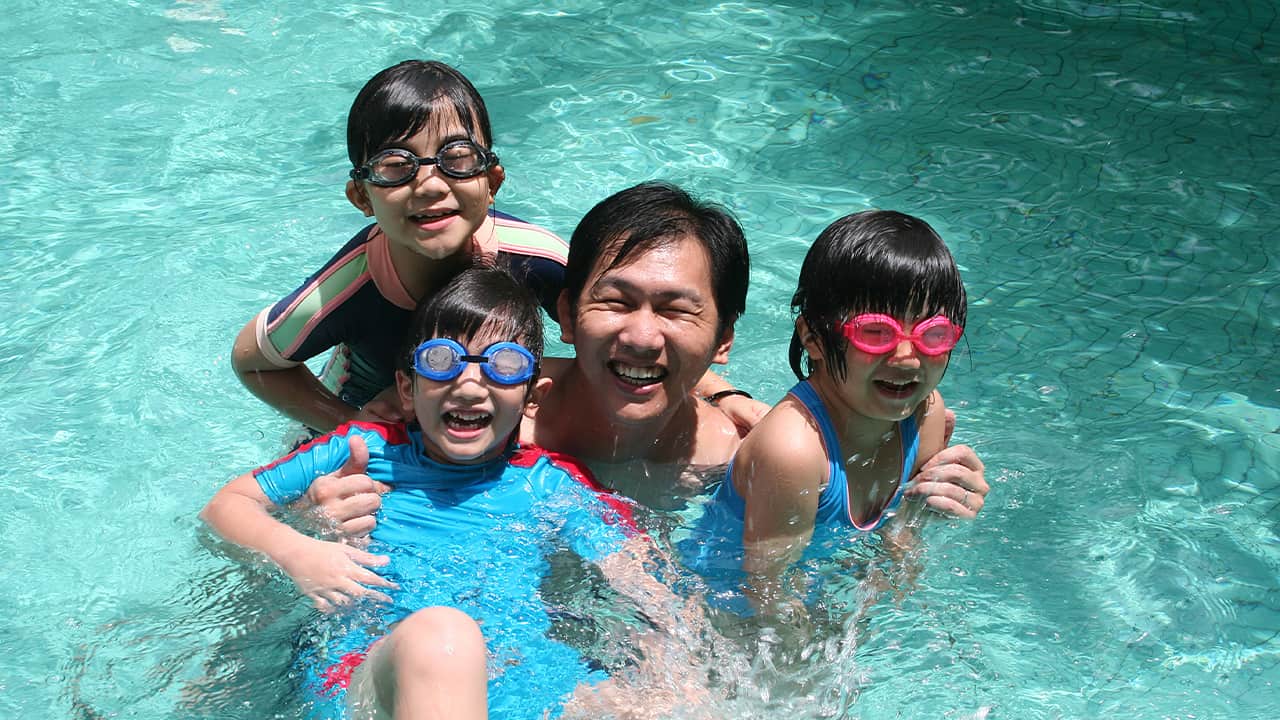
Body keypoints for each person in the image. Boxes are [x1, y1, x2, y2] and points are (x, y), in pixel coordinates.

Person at [307, 183, 987, 530]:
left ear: (724, 340)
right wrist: (316, 514)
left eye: (677, 309)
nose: (641, 334)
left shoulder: (736, 453)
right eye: (616, 301)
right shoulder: (468, 404)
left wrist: (914, 497)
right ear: (567, 315)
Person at [203, 265, 694, 719]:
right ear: (407, 389)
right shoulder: (364, 449)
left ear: (533, 397)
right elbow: (227, 506)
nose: (470, 383)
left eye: (503, 364)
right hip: (375, 674)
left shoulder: (554, 482)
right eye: (441, 361)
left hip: (533, 685)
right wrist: (298, 550)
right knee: (442, 637)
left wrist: (666, 672)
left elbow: (642, 580)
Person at [230, 60, 569, 434]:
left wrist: (514, 375)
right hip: (371, 411)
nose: (430, 186)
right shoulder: (347, 288)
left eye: (456, 158)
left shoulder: (541, 261)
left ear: (492, 182)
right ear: (362, 197)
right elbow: (253, 361)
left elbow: (610, 350)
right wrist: (349, 424)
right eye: (395, 166)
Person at [686, 210, 972, 615]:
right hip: (710, 606)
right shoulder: (795, 451)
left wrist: (930, 506)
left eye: (933, 334)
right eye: (876, 332)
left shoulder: (924, 413)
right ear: (814, 338)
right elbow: (765, 597)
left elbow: (901, 546)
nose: (908, 359)